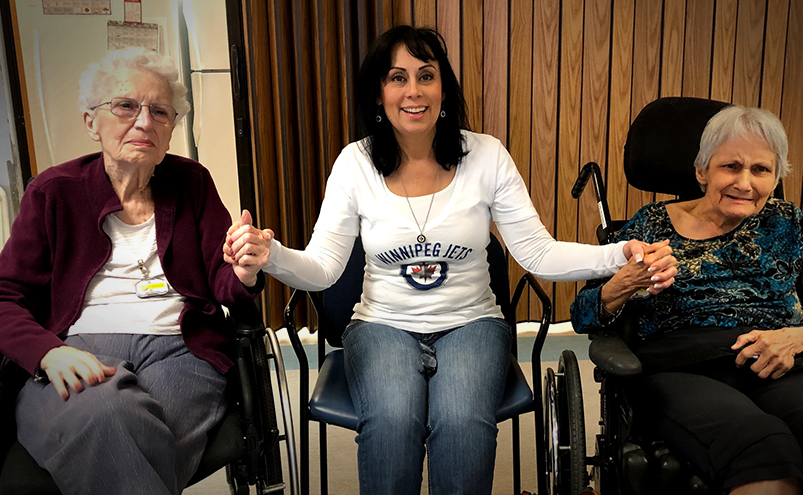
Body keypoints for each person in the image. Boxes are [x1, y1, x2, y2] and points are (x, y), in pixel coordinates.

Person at [224, 26, 676, 494]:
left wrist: (618, 253)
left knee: (462, 422)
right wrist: (270, 255)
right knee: (393, 420)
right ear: (379, 93)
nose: (413, 91)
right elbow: (324, 268)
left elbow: (537, 252)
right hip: (382, 325)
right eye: (397, 78)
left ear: (444, 88)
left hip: (472, 323)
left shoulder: (487, 155)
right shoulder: (354, 164)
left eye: (426, 75)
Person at [571, 104, 803, 494]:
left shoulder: (786, 222)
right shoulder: (650, 225)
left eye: (761, 169)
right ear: (702, 171)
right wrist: (622, 284)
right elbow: (583, 314)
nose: (745, 183)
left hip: (779, 361)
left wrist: (793, 339)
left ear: (776, 177)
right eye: (731, 167)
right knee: (761, 448)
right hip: (683, 369)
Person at [0, 48, 263, 495]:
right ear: (92, 122)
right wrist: (47, 353)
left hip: (182, 349)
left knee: (105, 438)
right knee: (109, 417)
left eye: (159, 111)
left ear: (171, 129)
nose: (144, 122)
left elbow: (221, 274)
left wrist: (242, 273)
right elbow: (6, 296)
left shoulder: (192, 182)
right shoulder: (52, 192)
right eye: (126, 106)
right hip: (78, 346)